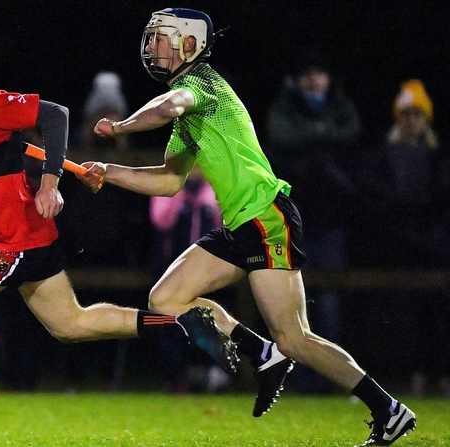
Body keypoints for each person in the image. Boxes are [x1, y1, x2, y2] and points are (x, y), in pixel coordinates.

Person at [0, 25, 236, 440]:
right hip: (29, 238)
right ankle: (179, 321)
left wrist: (51, 181)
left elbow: (55, 114)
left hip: (9, 242)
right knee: (72, 324)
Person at [77, 8, 415, 446]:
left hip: (266, 216)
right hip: (241, 225)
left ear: (188, 45)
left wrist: (121, 126)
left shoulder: (200, 86)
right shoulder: (188, 119)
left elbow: (166, 105)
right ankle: (261, 353)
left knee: (295, 337)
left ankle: (388, 410)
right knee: (165, 298)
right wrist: (110, 170)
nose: (151, 47)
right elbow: (168, 180)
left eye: (160, 38)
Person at [265, 49, 365, 393]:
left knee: (331, 305)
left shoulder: (340, 105)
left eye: (318, 72)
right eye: (306, 72)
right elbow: (280, 137)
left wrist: (311, 136)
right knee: (294, 305)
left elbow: (354, 133)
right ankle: (300, 379)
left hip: (333, 223)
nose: (312, 79)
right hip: (295, 223)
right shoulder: (285, 105)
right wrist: (321, 134)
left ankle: (330, 380)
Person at [358, 79, 449, 397]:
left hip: (434, 247)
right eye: (406, 114)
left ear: (426, 119)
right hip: (399, 248)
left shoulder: (438, 156)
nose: (412, 120)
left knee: (439, 313)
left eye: (417, 114)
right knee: (404, 315)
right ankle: (413, 378)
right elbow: (378, 202)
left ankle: (441, 376)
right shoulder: (385, 156)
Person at [149, 165, 231, 393]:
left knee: (207, 321)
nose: (195, 170)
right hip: (170, 271)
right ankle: (174, 377)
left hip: (205, 272)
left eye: (199, 164)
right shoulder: (168, 187)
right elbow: (160, 220)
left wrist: (204, 201)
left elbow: (224, 226)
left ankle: (211, 374)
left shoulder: (213, 190)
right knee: (171, 323)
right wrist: (182, 193)